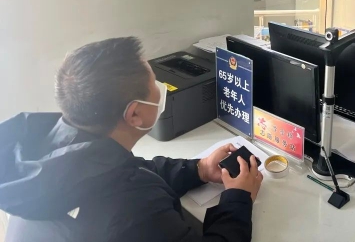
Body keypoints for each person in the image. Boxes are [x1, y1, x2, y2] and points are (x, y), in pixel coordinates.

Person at [0, 37, 263, 242]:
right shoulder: (135, 209)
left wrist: (198, 169)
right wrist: (238, 198)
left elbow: (128, 169)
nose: (160, 91)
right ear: (135, 114)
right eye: (156, 85)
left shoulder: (49, 146)